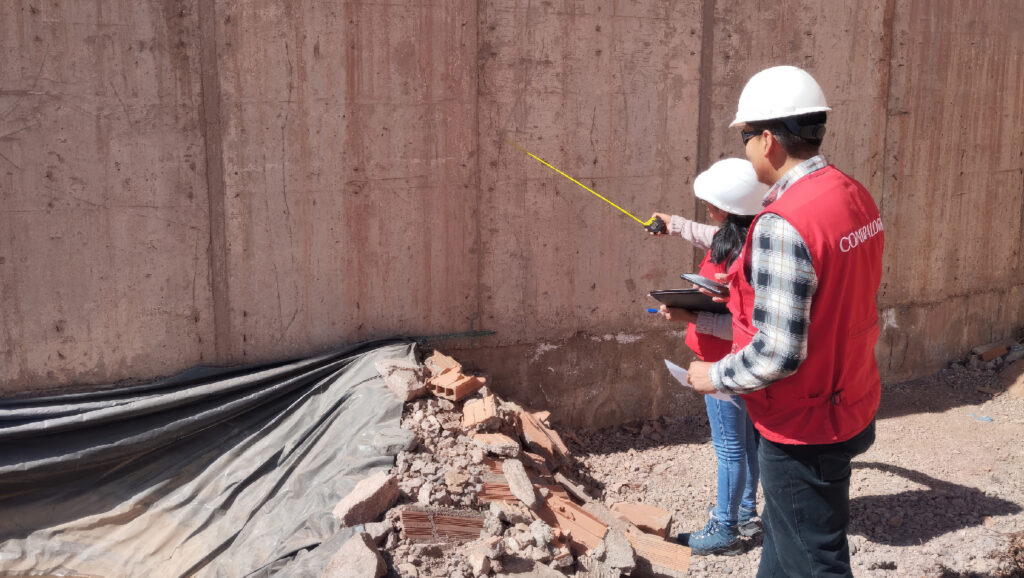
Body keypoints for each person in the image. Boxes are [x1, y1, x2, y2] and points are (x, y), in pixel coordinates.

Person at [687, 65, 885, 577]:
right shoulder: (851, 194)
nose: (746, 148)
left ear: (769, 140)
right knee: (785, 539)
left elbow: (778, 351)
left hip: (805, 420)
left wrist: (714, 377)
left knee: (813, 559)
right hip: (849, 395)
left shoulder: (784, 222)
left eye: (747, 137)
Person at [650, 158, 768, 556]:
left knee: (730, 448)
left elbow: (747, 329)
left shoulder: (746, 259)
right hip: (736, 363)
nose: (709, 213)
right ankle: (747, 513)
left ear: (730, 212)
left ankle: (725, 528)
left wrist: (692, 316)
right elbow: (714, 235)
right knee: (746, 440)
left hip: (724, 364)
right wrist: (675, 223)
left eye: (714, 207)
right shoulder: (754, 234)